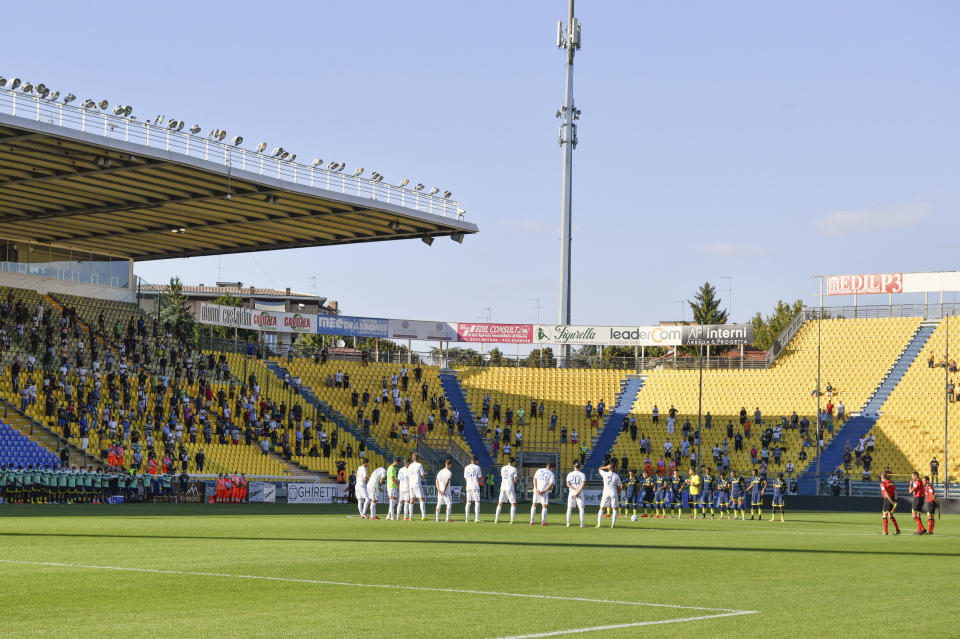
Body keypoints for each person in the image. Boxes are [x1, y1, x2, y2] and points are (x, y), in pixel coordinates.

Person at [596, 460, 622, 528]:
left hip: (606, 492)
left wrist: (606, 467)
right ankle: (612, 525)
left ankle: (599, 524)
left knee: (602, 508)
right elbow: (619, 486)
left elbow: (599, 469)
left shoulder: (605, 474)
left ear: (609, 467)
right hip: (613, 492)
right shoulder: (617, 476)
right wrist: (619, 493)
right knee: (615, 508)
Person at [529, 462, 555, 526]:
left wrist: (535, 488)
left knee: (534, 504)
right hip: (544, 491)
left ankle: (531, 521)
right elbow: (551, 484)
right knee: (544, 506)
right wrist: (544, 490)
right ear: (551, 468)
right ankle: (543, 522)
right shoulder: (551, 473)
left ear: (546, 466)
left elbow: (534, 479)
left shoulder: (539, 470)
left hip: (536, 490)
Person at [494, 457, 518, 524]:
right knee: (513, 503)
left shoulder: (503, 468)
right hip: (510, 487)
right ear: (513, 462)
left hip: (503, 487)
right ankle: (512, 520)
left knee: (500, 503)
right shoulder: (514, 469)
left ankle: (496, 519)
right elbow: (515, 480)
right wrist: (516, 479)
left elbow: (503, 476)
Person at [877, 470, 900, 535]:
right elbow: (895, 492)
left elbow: (886, 493)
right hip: (892, 498)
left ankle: (886, 531)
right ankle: (897, 530)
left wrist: (891, 501)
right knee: (890, 515)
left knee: (884, 515)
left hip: (888, 500)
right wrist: (895, 500)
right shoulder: (891, 482)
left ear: (881, 477)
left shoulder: (882, 484)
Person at [565, 461, 586, 527]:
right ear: (579, 467)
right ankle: (582, 524)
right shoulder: (582, 474)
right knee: (581, 508)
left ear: (574, 467)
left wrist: (574, 489)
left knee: (569, 508)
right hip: (579, 492)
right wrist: (578, 491)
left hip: (572, 492)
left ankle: (568, 523)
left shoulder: (570, 474)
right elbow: (583, 484)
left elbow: (568, 484)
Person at [407, 453, 427, 520]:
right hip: (417, 484)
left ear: (412, 459)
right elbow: (422, 475)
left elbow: (408, 475)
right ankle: (423, 516)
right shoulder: (419, 465)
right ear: (418, 458)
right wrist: (425, 474)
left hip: (411, 484)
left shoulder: (409, 466)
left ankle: (411, 517)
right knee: (421, 499)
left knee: (412, 500)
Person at [463, 456, 482, 523]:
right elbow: (480, 478)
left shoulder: (466, 467)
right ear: (475, 461)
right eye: (477, 461)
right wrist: (481, 483)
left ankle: (467, 518)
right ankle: (476, 518)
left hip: (468, 487)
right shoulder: (477, 467)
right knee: (477, 501)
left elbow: (465, 478)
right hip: (475, 486)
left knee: (468, 502)